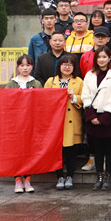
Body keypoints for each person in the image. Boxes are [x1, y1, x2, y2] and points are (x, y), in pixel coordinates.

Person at [82, 46, 111, 191]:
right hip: (92, 116)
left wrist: (105, 115)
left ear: (109, 58)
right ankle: (99, 176)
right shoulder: (89, 75)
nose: (102, 60)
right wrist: (91, 115)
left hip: (108, 117)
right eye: (99, 57)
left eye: (104, 57)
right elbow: (85, 95)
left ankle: (107, 176)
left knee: (109, 149)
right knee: (97, 149)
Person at [5, 54, 43, 193]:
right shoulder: (11, 84)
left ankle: (27, 179)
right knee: (16, 151)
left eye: (28, 65)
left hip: (31, 122)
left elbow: (41, 102)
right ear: (18, 67)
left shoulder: (36, 83)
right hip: (15, 123)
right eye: (22, 65)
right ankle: (17, 180)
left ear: (32, 67)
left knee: (29, 151)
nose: (25, 68)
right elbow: (6, 102)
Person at [45, 54, 82, 191]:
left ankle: (70, 175)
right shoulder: (51, 81)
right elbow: (44, 99)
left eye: (70, 65)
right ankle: (59, 176)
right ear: (59, 66)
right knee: (57, 151)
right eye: (64, 64)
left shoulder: (78, 81)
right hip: (55, 121)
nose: (67, 67)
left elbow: (84, 99)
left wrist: (73, 97)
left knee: (71, 150)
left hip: (71, 120)